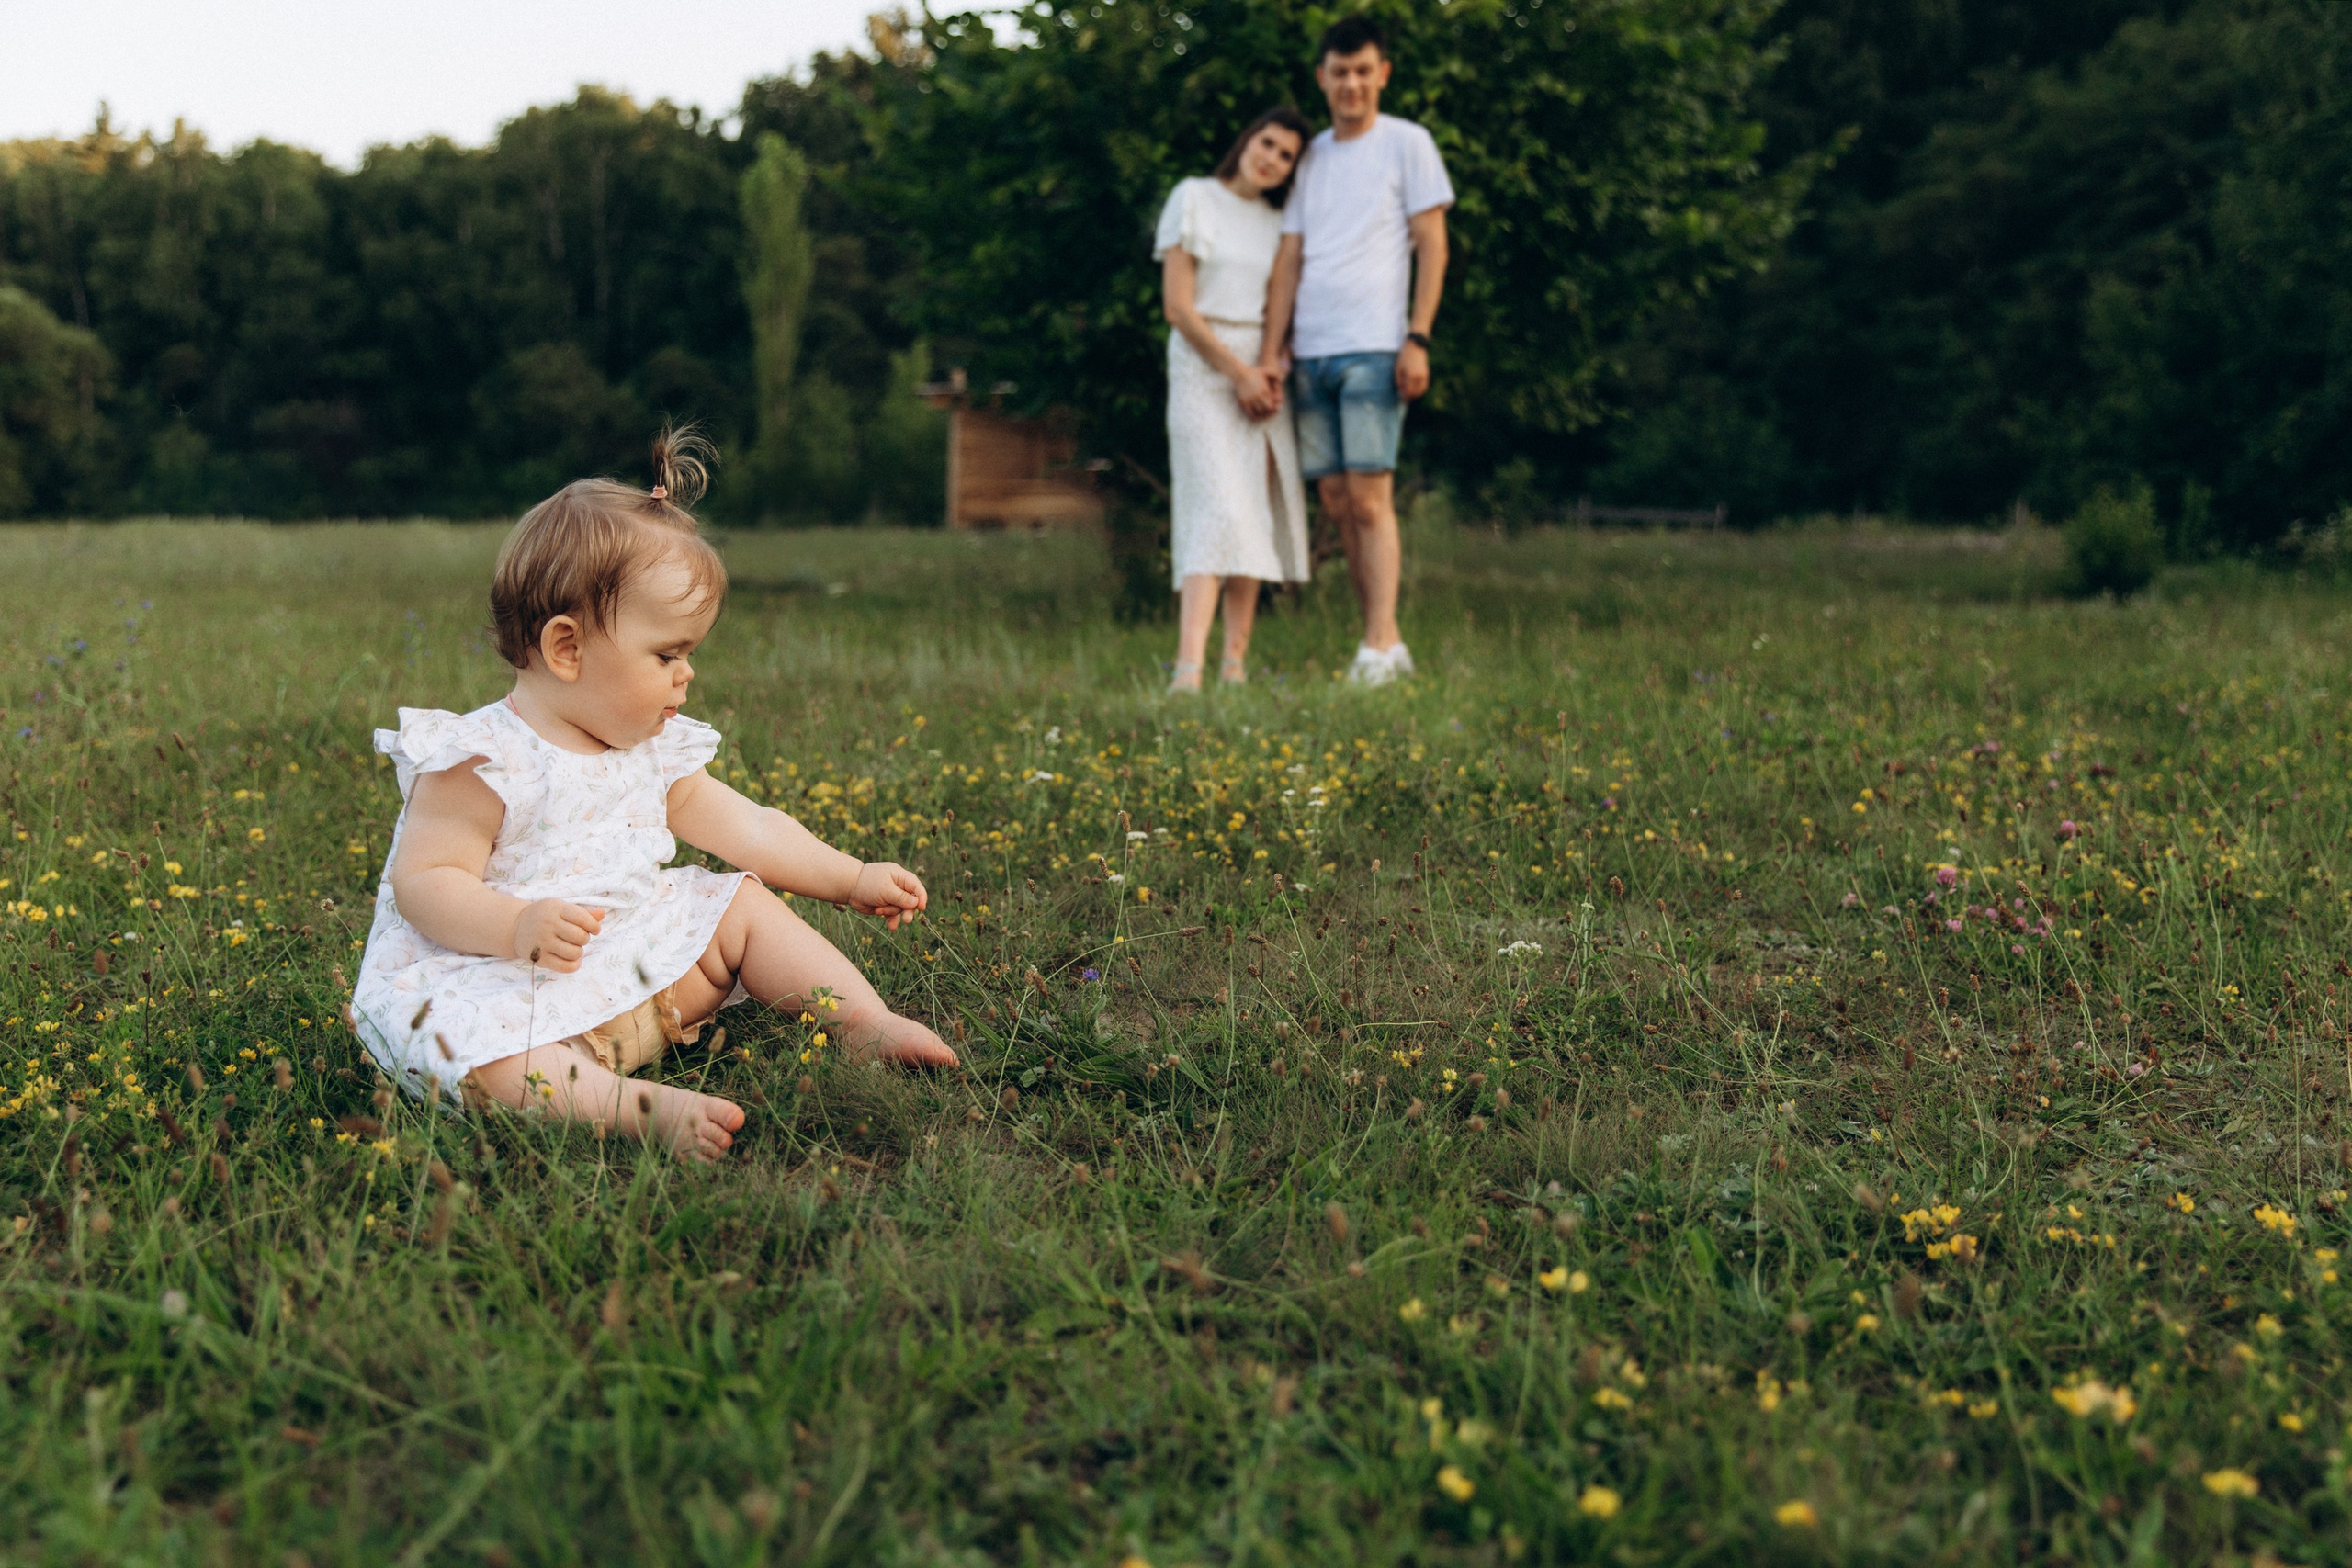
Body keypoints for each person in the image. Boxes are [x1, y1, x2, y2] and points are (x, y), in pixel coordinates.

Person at [348, 428, 956, 1161]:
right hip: (505, 984)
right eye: (666, 654)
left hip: (638, 969)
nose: (685, 675)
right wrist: (513, 925)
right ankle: (633, 1107)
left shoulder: (651, 747)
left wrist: (849, 877)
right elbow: (424, 882)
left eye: (689, 654)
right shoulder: (483, 759)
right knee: (466, 1049)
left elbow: (749, 827)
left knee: (739, 903)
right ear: (567, 649)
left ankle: (864, 1021)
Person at [1260, 14, 1453, 685]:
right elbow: (1289, 258)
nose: (1351, 84)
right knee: (1338, 501)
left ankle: (1377, 643)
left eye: (1363, 71)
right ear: (1323, 78)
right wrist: (1271, 349)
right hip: (1312, 352)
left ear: (1382, 75)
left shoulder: (1408, 144)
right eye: (1339, 73)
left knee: (1372, 498)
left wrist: (1417, 336)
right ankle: (1383, 641)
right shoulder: (1309, 156)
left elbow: (1432, 243)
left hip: (1376, 345)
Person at [1153, 107, 1314, 693]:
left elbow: (1280, 303)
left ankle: (1235, 669)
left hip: (1261, 369)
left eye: (1285, 155)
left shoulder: (1279, 225)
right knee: (1216, 507)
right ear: (1247, 139)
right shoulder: (1194, 197)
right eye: (1266, 143)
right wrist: (1237, 372)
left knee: (1251, 514)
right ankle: (1188, 671)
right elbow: (1177, 307)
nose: (1270, 158)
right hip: (1204, 364)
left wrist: (1267, 369)